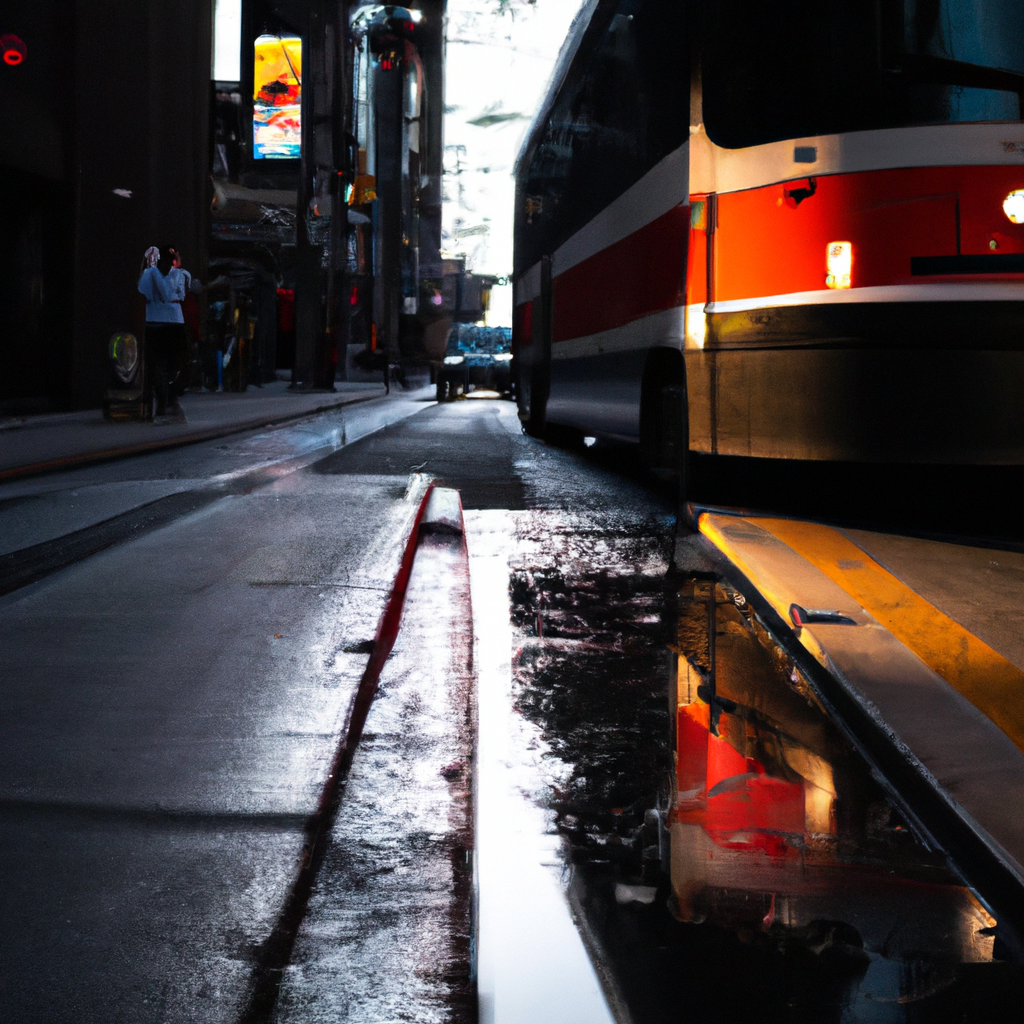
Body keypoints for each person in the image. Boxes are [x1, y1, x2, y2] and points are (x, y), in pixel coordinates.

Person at [137, 246, 194, 420]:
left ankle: (168, 399)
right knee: (161, 365)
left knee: (170, 364)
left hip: (167, 323)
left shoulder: (177, 275)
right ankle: (165, 400)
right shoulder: (152, 274)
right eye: (165, 261)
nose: (168, 265)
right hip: (162, 323)